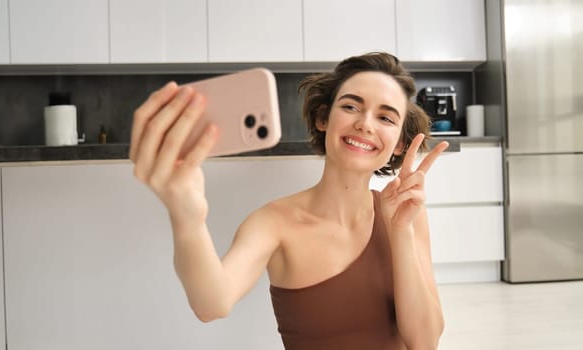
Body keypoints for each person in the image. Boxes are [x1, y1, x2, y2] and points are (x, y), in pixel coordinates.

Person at [129, 52, 448, 349]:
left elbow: (425, 341)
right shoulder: (273, 223)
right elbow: (211, 304)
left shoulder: (407, 215)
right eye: (351, 106)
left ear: (399, 144)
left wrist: (401, 232)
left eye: (386, 118)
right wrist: (187, 217)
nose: (365, 123)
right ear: (323, 118)